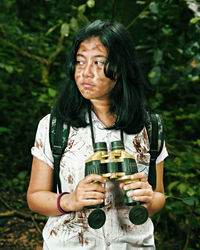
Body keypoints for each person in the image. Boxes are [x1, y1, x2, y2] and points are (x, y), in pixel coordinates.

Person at [27, 20, 168, 250]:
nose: (85, 73)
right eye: (80, 62)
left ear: (121, 66)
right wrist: (71, 200)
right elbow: (35, 196)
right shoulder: (55, 126)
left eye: (98, 62)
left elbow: (159, 195)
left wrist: (149, 198)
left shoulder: (149, 126)